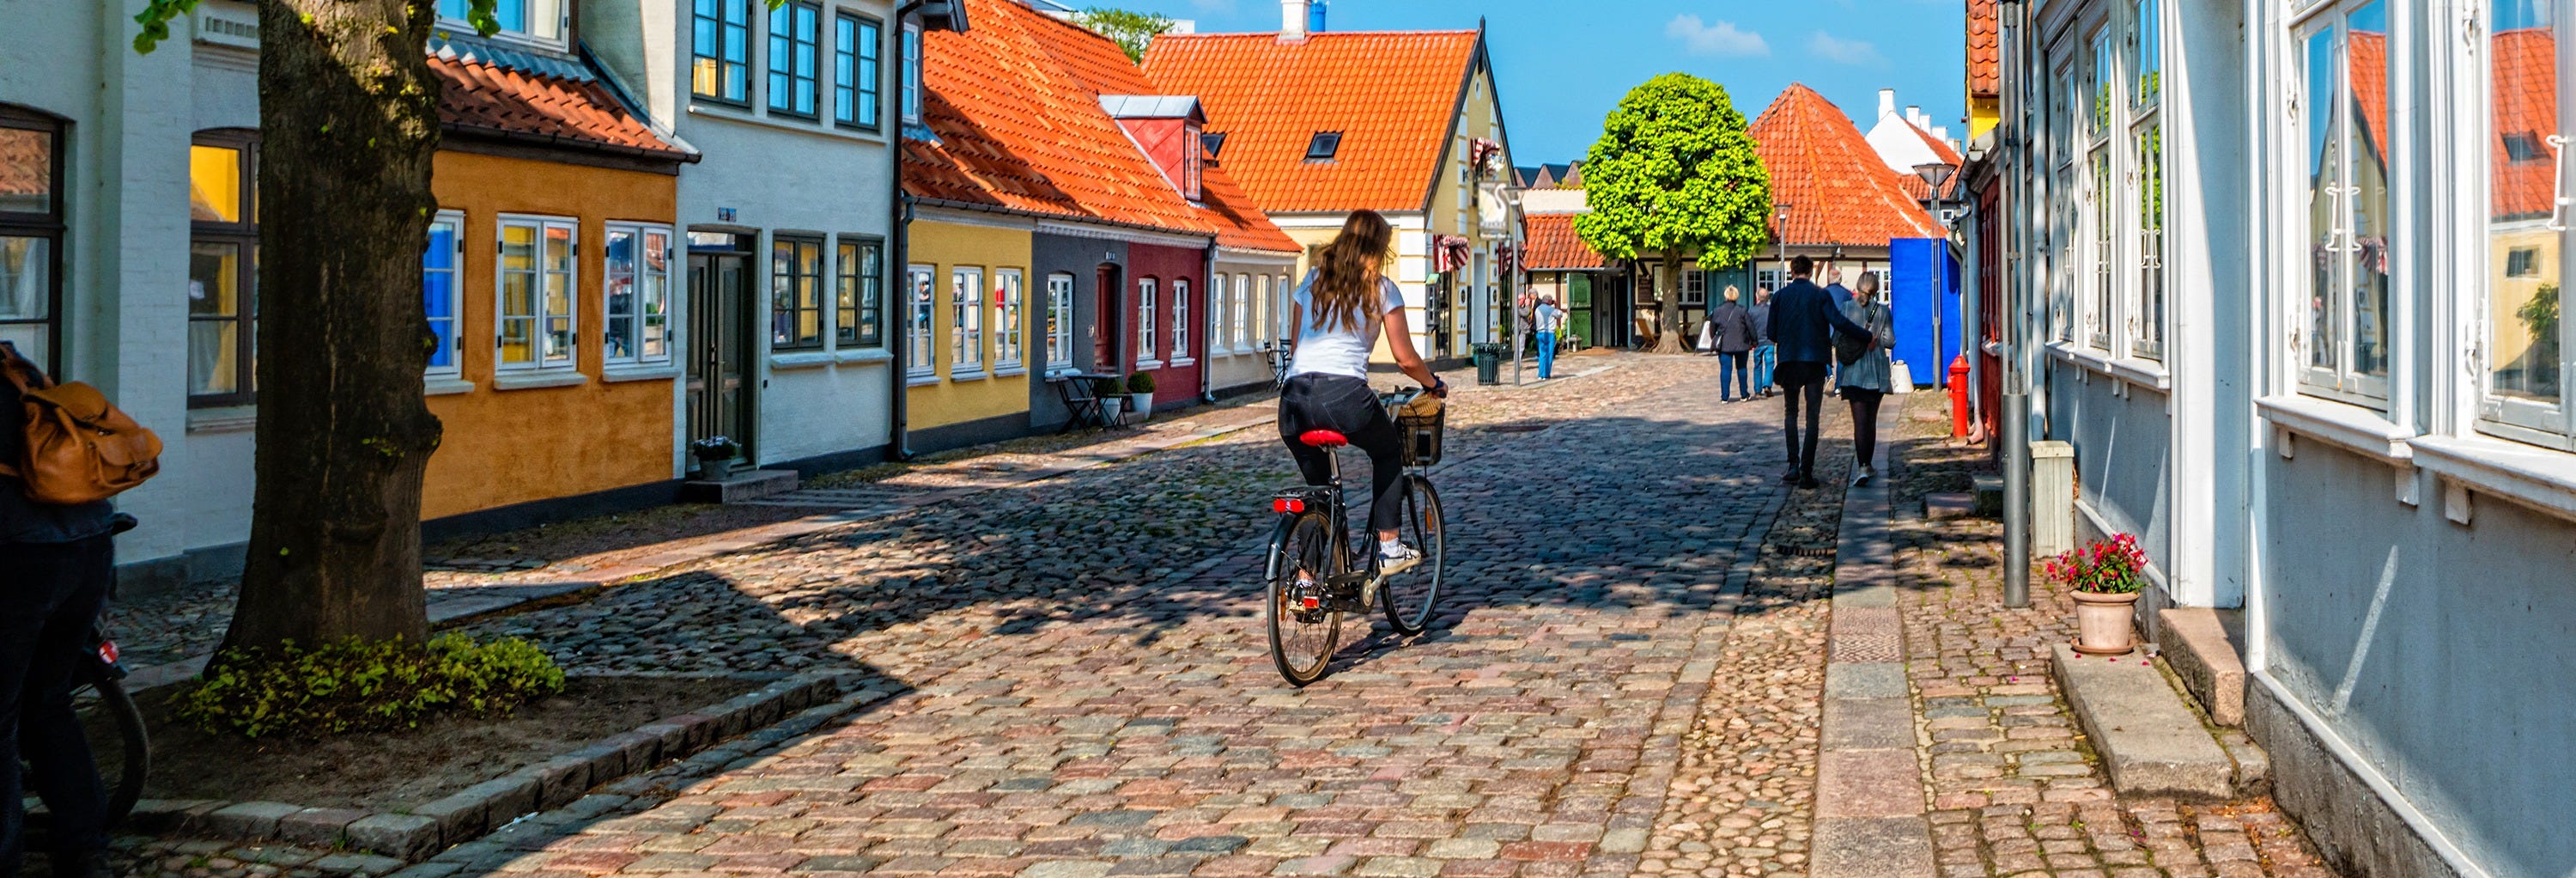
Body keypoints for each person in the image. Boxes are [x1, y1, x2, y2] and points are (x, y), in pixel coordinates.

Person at [0, 342, 118, 878]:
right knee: (47, 703)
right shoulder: (19, 369)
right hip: (88, 542)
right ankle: (85, 847)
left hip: (23, 556)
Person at [1279, 210, 1449, 570]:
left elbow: (1295, 348)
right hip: (1345, 398)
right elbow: (1405, 359)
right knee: (1388, 453)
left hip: (1293, 400)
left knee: (1317, 491)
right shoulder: (1383, 290)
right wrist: (1433, 383)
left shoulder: (1311, 281)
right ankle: (1389, 547)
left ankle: (1309, 580)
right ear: (1379, 249)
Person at [1768, 255, 1874, 489]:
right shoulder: (1820, 295)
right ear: (1811, 271)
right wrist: (1866, 336)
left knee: (1790, 413)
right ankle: (1807, 470)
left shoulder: (1779, 297)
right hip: (1815, 361)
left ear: (1792, 271)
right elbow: (1839, 322)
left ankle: (1793, 465)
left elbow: (1771, 333)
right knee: (1812, 417)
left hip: (1788, 362)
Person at [1838, 273, 1899, 487]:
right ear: (1875, 290)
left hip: (1853, 372)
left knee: (1859, 421)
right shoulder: (1883, 311)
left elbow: (1836, 339)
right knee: (1870, 421)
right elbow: (1890, 341)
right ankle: (1868, 465)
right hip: (1875, 373)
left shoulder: (1845, 308)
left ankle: (1862, 465)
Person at [1709, 286, 1757, 402]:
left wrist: (1715, 339)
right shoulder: (1742, 310)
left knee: (1725, 370)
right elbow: (1750, 327)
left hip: (1725, 344)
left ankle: (1724, 397)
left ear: (1726, 295)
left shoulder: (1718, 310)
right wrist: (1754, 341)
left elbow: (1712, 328)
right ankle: (1744, 394)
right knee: (1742, 368)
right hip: (1741, 344)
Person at [1748, 287, 1776, 399]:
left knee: (1757, 366)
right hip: (1769, 341)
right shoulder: (1772, 310)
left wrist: (1750, 341)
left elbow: (1749, 327)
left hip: (1757, 342)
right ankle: (1767, 385)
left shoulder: (1752, 311)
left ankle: (1758, 390)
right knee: (1769, 364)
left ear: (1757, 297)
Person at [1533, 296, 1564, 380]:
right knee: (1549, 354)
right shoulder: (1551, 310)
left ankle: (1541, 374)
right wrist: (1556, 305)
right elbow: (1560, 314)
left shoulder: (1537, 309)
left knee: (1542, 354)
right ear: (1549, 301)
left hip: (1540, 333)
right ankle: (1546, 374)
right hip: (1549, 333)